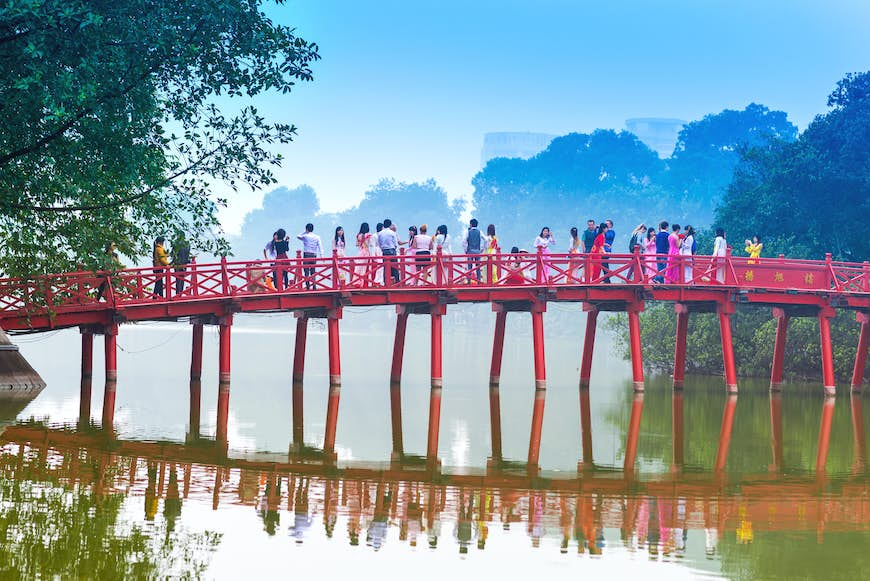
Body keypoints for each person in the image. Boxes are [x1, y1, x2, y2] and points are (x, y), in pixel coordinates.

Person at [297, 223, 324, 289]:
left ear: (307, 229)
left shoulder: (305, 236)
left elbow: (298, 236)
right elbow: (320, 247)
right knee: (313, 271)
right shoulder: (317, 237)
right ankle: (314, 285)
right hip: (314, 255)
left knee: (306, 271)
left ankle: (308, 286)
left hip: (306, 254)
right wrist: (322, 256)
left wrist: (305, 232)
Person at [378, 218, 400, 284]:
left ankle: (386, 281)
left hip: (384, 251)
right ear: (390, 225)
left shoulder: (380, 233)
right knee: (394, 266)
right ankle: (397, 281)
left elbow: (379, 243)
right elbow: (395, 243)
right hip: (392, 250)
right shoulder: (392, 233)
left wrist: (382, 248)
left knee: (385, 267)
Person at [463, 218, 484, 282]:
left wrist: (465, 249)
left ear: (471, 224)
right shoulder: (480, 232)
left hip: (470, 251)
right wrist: (482, 248)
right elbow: (485, 240)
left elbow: (463, 241)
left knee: (470, 267)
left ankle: (469, 281)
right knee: (478, 267)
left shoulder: (468, 232)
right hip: (477, 251)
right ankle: (479, 281)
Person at [602, 219, 615, 283]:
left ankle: (606, 278)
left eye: (607, 224)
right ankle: (606, 278)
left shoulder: (611, 232)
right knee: (604, 264)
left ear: (611, 225)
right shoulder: (603, 231)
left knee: (605, 263)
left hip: (607, 249)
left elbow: (609, 239)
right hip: (602, 249)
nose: (606, 225)